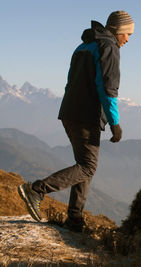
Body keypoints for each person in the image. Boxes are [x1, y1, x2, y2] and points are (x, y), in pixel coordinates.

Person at [18, 10, 134, 232]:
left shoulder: (83, 46)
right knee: (88, 166)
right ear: (118, 30)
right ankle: (36, 190)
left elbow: (71, 81)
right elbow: (108, 88)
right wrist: (115, 123)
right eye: (127, 34)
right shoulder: (108, 47)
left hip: (69, 112)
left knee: (84, 165)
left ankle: (75, 219)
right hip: (86, 115)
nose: (128, 39)